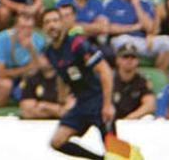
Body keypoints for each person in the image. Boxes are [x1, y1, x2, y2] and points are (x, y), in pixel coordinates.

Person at [35, 8, 115, 160]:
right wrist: (63, 99)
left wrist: (107, 104)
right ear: (43, 28)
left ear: (63, 23)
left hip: (98, 100)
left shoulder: (77, 44)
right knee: (57, 141)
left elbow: (105, 71)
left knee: (115, 151)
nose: (52, 25)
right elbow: (62, 74)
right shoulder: (49, 51)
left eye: (55, 21)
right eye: (47, 22)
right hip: (81, 103)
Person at [105, 0, 169, 71]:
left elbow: (150, 28)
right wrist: (133, 27)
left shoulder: (145, 2)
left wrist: (136, 4)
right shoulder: (111, 2)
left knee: (167, 42)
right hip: (122, 40)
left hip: (142, 42)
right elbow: (108, 28)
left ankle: (159, 76)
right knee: (123, 41)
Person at [0, 11, 46, 107]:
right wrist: (27, 68)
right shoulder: (0, 40)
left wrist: (32, 49)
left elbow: (39, 67)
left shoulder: (37, 40)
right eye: (22, 27)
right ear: (15, 27)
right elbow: (1, 73)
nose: (26, 31)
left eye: (29, 28)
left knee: (37, 87)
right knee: (5, 85)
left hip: (19, 80)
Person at [112, 43, 157, 120]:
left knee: (149, 118)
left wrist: (129, 118)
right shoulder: (110, 79)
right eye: (125, 57)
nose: (129, 60)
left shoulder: (142, 80)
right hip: (112, 120)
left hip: (134, 121)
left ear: (138, 60)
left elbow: (150, 104)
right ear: (117, 60)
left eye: (133, 57)